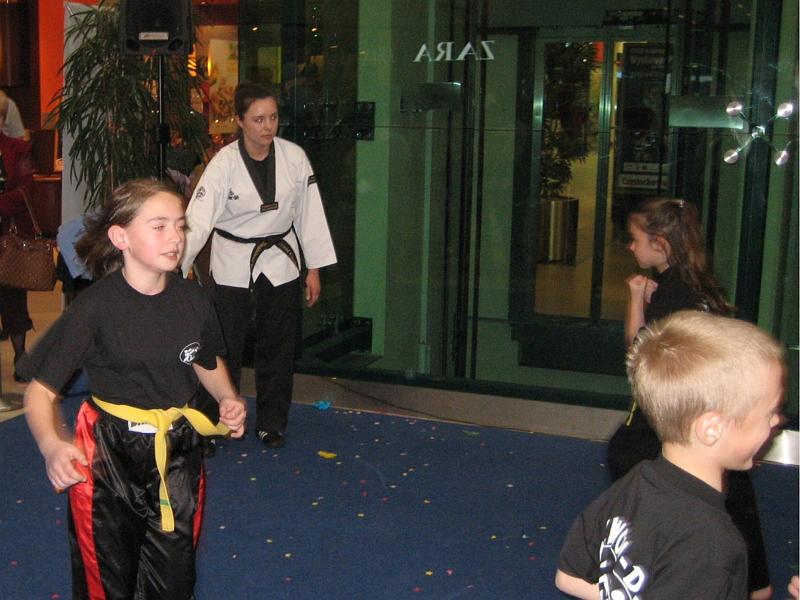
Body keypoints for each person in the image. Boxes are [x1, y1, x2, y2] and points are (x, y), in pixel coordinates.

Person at [17, 179, 246, 599]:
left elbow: (205, 359)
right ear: (120, 237)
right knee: (107, 579)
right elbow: (40, 392)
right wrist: (52, 446)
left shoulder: (194, 301)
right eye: (159, 226)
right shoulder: (95, 308)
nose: (175, 238)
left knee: (175, 578)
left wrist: (226, 397)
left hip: (177, 452)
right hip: (108, 456)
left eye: (179, 226)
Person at [607, 196, 773, 599]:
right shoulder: (696, 285)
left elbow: (639, 354)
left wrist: (635, 298)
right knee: (727, 488)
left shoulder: (674, 295)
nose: (631, 247)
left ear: (661, 244)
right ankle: (754, 581)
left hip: (686, 409)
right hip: (711, 401)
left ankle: (654, 561)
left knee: (629, 458)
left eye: (636, 240)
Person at [556, 310, 785, 599]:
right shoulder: (710, 544)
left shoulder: (636, 482)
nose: (776, 420)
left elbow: (568, 576)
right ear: (711, 429)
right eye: (768, 413)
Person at [181, 81, 337, 450]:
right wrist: (178, 265)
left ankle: (271, 423)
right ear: (239, 121)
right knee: (222, 348)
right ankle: (213, 424)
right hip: (233, 261)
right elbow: (198, 220)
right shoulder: (223, 164)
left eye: (273, 118)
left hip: (281, 259)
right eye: (258, 119)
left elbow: (309, 213)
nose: (267, 126)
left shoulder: (294, 157)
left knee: (278, 346)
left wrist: (313, 268)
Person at [0, 93, 34, 390]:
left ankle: (21, 356)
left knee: (12, 295)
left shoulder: (18, 149)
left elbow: (25, 192)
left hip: (8, 234)